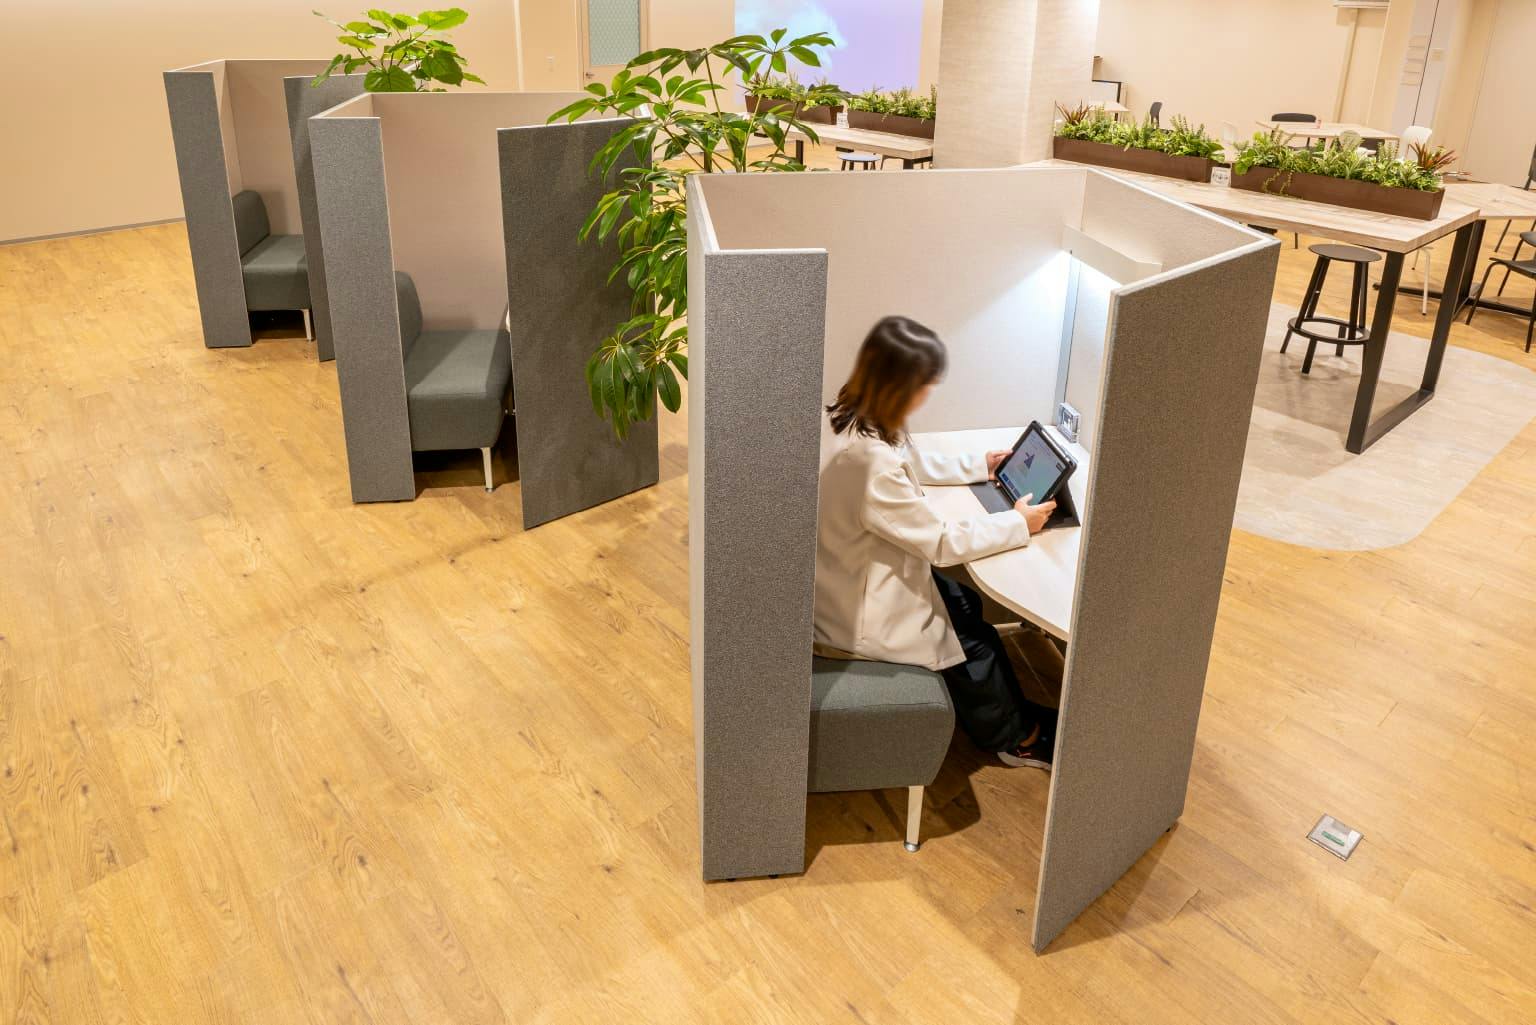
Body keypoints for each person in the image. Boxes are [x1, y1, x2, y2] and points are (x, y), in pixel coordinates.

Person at [814, 315, 1059, 769]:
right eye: (926, 383)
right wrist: (1017, 523)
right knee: (977, 642)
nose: (929, 392)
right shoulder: (871, 468)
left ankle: (1006, 711)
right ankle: (1015, 738)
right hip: (856, 615)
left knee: (964, 602)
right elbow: (941, 543)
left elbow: (907, 460)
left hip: (845, 576)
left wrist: (980, 466)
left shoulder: (844, 417)